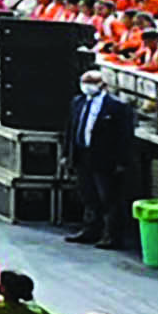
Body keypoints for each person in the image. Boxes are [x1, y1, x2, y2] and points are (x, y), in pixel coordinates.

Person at [64, 68, 140, 250]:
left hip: (105, 158)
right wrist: (67, 154)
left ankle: (111, 235)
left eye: (91, 83)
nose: (87, 87)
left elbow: (124, 137)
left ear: (102, 85)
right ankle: (90, 230)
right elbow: (71, 129)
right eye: (85, 82)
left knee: (109, 198)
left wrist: (122, 161)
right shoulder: (78, 102)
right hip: (82, 154)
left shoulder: (117, 107)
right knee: (88, 195)